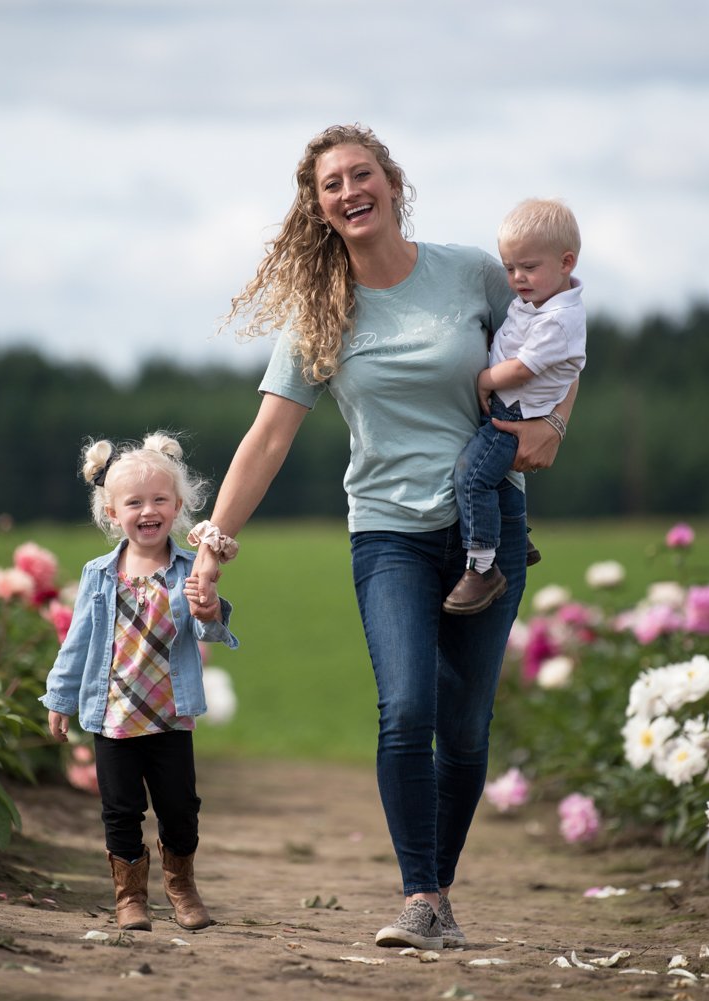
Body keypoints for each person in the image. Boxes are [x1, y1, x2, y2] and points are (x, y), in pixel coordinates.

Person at [187, 124, 577, 950]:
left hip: (490, 525)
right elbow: (267, 438)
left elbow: (558, 342)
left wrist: (553, 428)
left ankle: (438, 890)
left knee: (466, 728)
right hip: (389, 535)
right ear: (319, 207)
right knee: (407, 707)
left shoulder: (470, 270)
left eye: (361, 174)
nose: (349, 191)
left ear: (392, 182)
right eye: (331, 185)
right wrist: (213, 540)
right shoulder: (321, 313)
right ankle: (423, 894)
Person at [41, 432, 238, 934]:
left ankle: (181, 886)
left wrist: (210, 608)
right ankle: (129, 897)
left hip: (170, 714)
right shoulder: (100, 575)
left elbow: (209, 627)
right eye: (134, 503)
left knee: (180, 808)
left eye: (159, 500)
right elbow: (78, 641)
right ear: (112, 513)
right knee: (121, 811)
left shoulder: (193, 568)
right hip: (112, 717)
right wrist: (60, 699)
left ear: (177, 507)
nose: (147, 511)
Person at [443, 197, 586, 615]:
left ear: (566, 262)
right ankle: (515, 534)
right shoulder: (541, 301)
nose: (518, 278)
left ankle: (482, 568)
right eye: (510, 268)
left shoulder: (559, 320)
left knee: (472, 477)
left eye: (528, 267)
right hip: (512, 408)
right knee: (495, 476)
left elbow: (523, 369)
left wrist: (484, 379)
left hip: (514, 416)